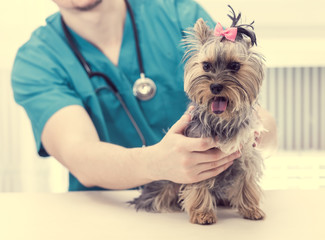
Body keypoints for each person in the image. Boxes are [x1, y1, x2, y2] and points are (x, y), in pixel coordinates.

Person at [11, 0, 277, 191]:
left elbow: (260, 121)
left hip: (205, 206)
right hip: (107, 211)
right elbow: (80, 155)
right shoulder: (37, 60)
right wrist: (157, 163)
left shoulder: (177, 13)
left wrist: (255, 131)